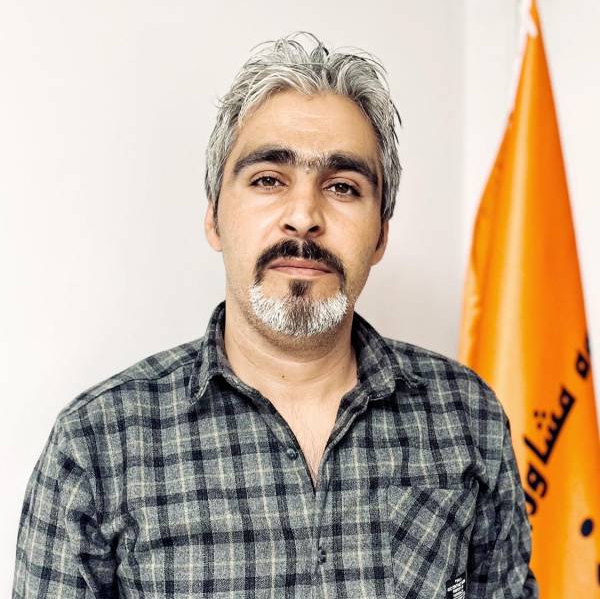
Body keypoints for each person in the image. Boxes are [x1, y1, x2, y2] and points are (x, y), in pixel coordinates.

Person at [12, 31, 538, 598]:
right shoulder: (95, 446)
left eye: (343, 187)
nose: (304, 215)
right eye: (268, 179)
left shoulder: (468, 417)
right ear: (214, 218)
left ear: (381, 235)